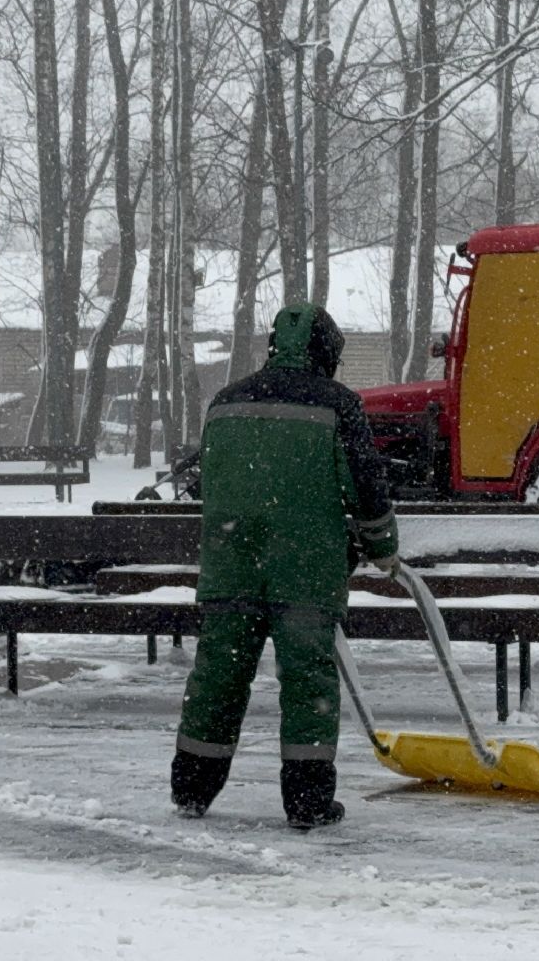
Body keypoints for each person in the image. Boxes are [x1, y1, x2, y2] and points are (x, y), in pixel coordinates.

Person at [170, 303, 399, 830]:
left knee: (219, 678)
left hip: (231, 564)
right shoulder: (337, 405)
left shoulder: (225, 402)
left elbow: (211, 483)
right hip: (305, 569)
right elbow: (364, 484)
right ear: (327, 352)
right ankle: (308, 802)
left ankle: (192, 789)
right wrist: (381, 543)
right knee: (307, 683)